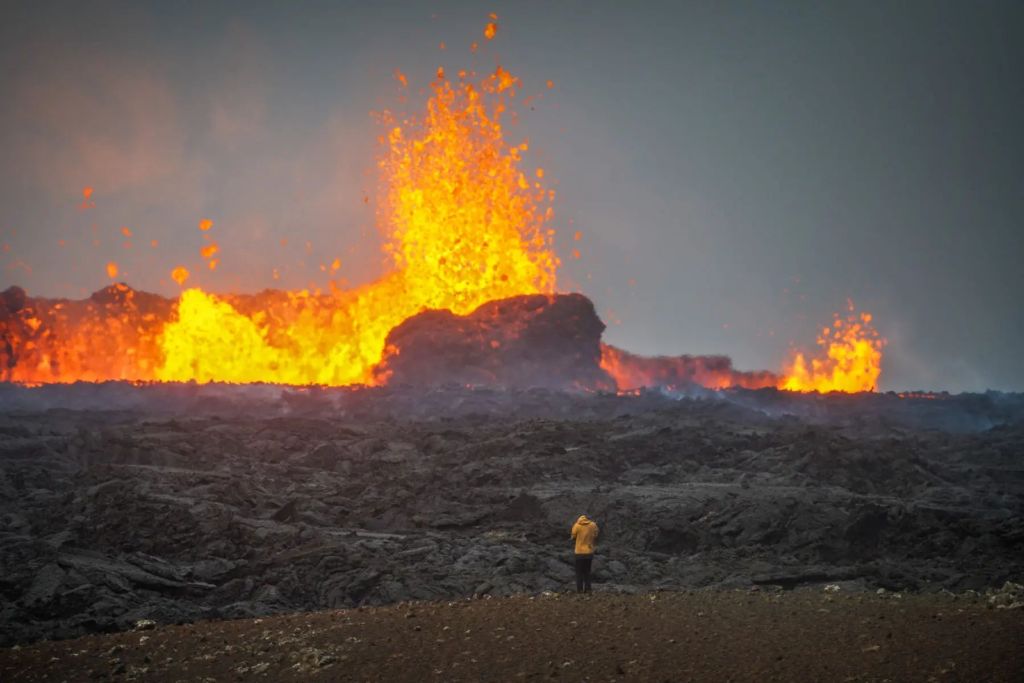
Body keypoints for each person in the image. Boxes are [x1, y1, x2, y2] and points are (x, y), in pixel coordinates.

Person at [571, 514, 599, 593]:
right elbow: (596, 534)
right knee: (587, 572)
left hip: (579, 552)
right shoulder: (593, 525)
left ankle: (579, 590)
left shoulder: (576, 525)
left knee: (579, 573)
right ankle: (588, 589)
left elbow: (573, 536)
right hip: (589, 552)